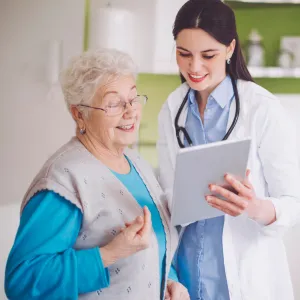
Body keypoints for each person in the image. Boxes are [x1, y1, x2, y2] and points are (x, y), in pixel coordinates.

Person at [5, 48, 189, 300]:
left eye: (134, 98)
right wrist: (110, 253)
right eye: (113, 103)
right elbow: (23, 280)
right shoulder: (64, 181)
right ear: (79, 114)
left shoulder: (137, 163)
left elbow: (152, 251)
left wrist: (169, 282)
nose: (131, 111)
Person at [157, 1, 300, 300]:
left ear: (230, 48)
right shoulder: (172, 108)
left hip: (244, 281)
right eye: (184, 54)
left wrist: (255, 207)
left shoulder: (262, 109)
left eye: (208, 55)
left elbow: (292, 201)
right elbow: (170, 193)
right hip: (186, 279)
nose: (194, 67)